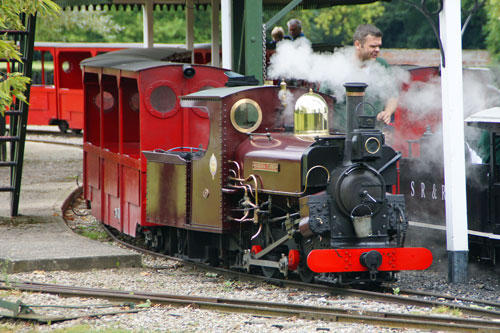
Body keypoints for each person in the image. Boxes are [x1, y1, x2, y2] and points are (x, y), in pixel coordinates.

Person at [320, 24, 398, 132]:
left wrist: (387, 112)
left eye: (379, 46)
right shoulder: (337, 66)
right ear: (357, 44)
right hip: (341, 134)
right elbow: (322, 100)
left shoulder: (382, 65)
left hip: (373, 134)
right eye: (373, 46)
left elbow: (393, 95)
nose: (377, 50)